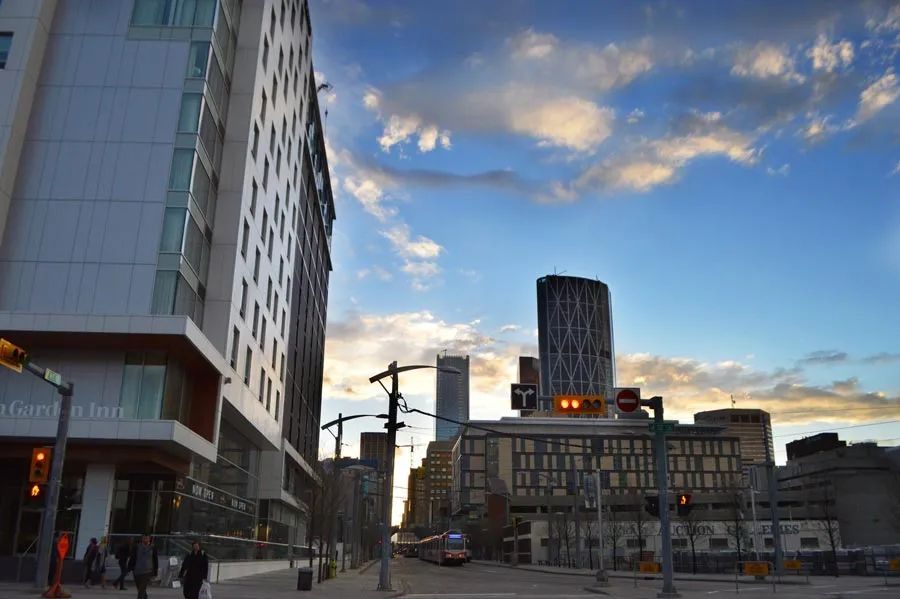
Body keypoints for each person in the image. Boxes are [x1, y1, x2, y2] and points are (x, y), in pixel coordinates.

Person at [127, 535, 158, 599]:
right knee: (140, 588)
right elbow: (132, 558)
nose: (145, 539)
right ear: (142, 539)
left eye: (147, 538)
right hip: (137, 570)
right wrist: (129, 568)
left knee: (142, 588)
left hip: (147, 571)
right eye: (144, 538)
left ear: (149, 539)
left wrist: (155, 571)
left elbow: (155, 560)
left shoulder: (152, 548)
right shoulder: (136, 547)